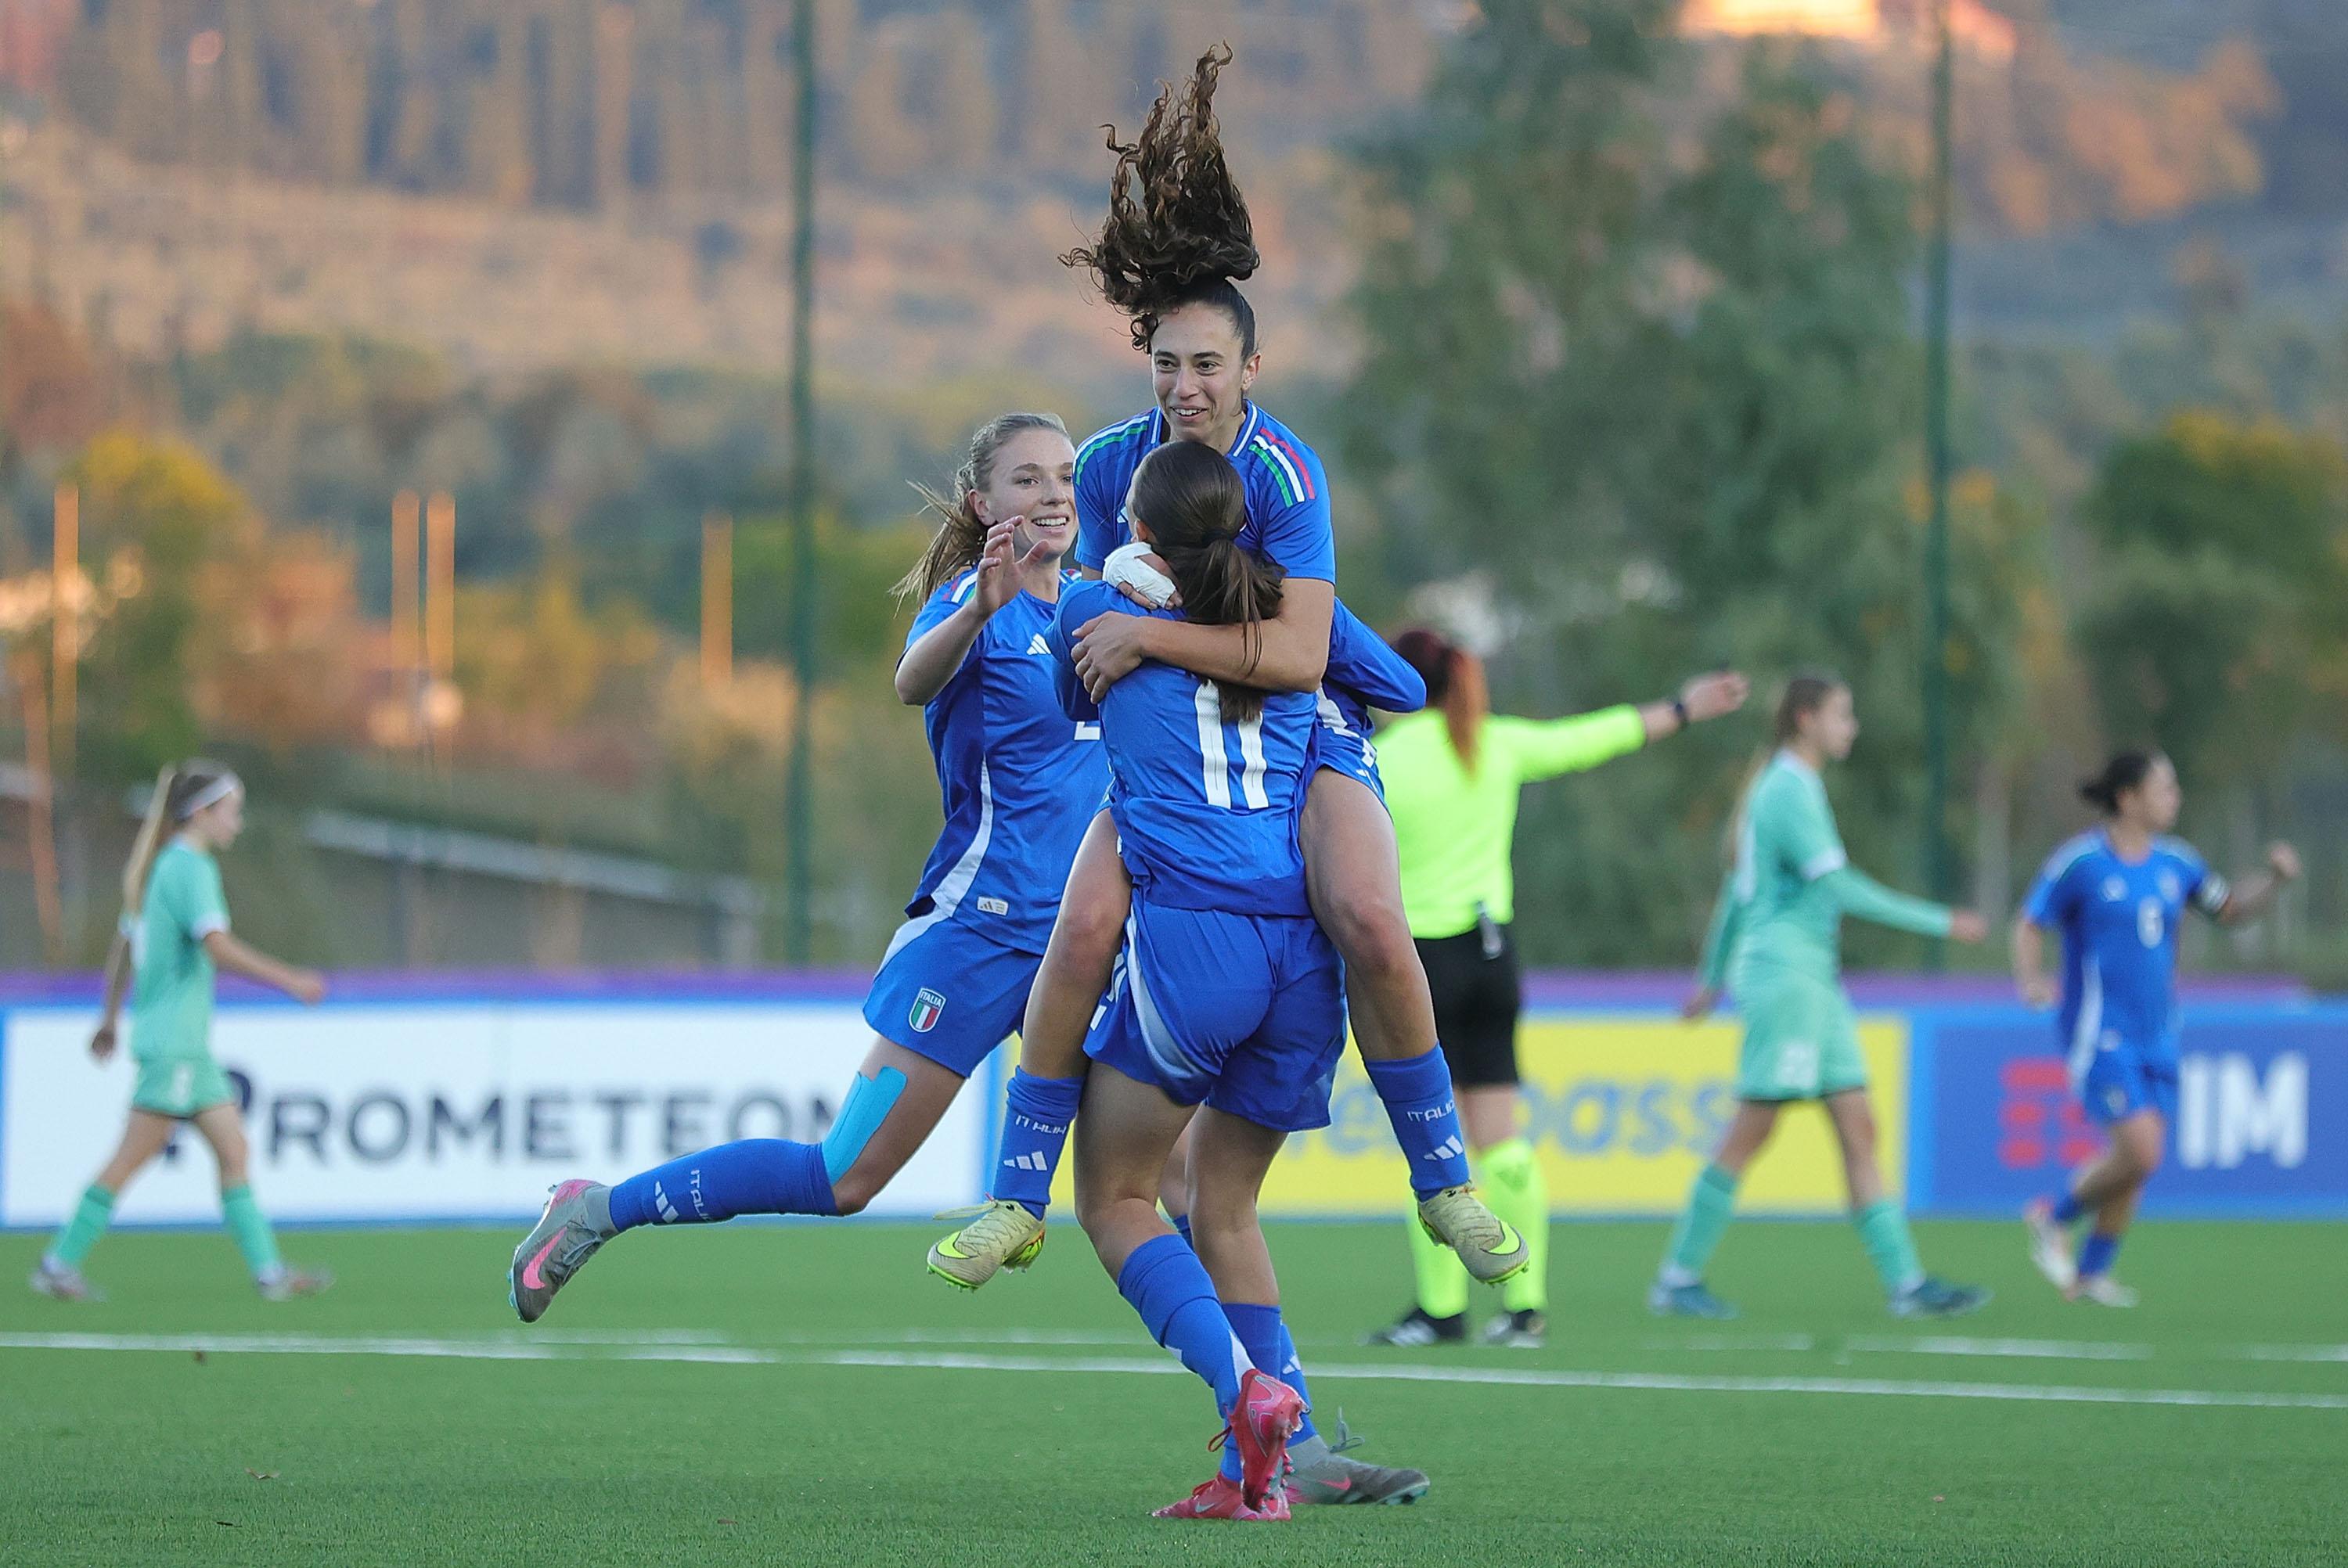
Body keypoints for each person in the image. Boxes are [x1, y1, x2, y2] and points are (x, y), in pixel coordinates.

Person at [933, 42, 1524, 1300]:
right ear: (1143, 366)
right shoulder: (1106, 468)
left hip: (1303, 728)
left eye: (1209, 366)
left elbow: (1306, 658)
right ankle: (1011, 1204)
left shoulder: (1288, 473)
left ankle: (1444, 1183)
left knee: (1370, 914)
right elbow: (1101, 627)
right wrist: (1107, 642)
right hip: (1175, 745)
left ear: (1253, 371)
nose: (1185, 386)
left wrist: (1146, 637)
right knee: (1084, 926)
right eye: (1166, 364)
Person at [506, 413, 1107, 1319]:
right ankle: (597, 1211)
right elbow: (911, 679)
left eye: (1064, 475)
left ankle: (1265, 1405)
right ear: (985, 503)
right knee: (844, 1177)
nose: (1054, 493)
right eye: (1028, 480)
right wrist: (981, 606)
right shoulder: (971, 605)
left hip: (1088, 937)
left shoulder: (1102, 608)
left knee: (1165, 1180)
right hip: (979, 935)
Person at [1055, 438, 1337, 1521]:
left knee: (1117, 1197)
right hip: (1304, 956)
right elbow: (1379, 678)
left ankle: (1247, 1393)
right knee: (1222, 1200)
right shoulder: (1283, 635)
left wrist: (1117, 598)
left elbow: (1065, 702)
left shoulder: (1099, 615)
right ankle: (1259, 1469)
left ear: (1139, 526)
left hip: (1199, 944)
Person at [1365, 629, 1750, 1350]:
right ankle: (1525, 1306)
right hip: (1491, 956)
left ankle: (1441, 1311)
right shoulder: (1494, 743)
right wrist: (1683, 708)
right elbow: (1595, 737)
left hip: (1418, 965)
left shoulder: (1381, 758)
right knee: (1501, 1143)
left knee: (1430, 1143)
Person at [1651, 674, 1991, 1321]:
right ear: (1806, 719)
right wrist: (1941, 922)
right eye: (1843, 714)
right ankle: (1677, 1277)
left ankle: (1907, 1284)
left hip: (1814, 979)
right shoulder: (1786, 790)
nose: (1852, 727)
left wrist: (1711, 978)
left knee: (1859, 1125)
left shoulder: (1786, 787)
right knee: (1754, 1129)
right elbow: (1842, 890)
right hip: (1787, 976)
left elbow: (1735, 892)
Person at [30, 763, 333, 1303]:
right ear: (202, 814)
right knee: (131, 1158)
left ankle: (270, 1276)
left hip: (184, 1046)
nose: (236, 825)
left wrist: (108, 1018)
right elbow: (216, 945)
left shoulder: (159, 867)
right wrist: (291, 980)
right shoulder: (190, 868)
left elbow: (123, 947)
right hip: (176, 1048)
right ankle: (57, 1264)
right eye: (231, 813)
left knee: (234, 1150)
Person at [2013, 750, 2299, 1306]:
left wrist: (2275, 881)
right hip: (2100, 1033)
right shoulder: (2082, 863)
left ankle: (2090, 1275)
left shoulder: (2178, 863)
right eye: (2165, 788)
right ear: (2128, 798)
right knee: (2140, 1151)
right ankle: (2054, 1218)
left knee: (2138, 1165)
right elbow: (2030, 921)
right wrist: (2030, 979)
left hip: (2160, 1032)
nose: (2176, 797)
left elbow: (2231, 911)